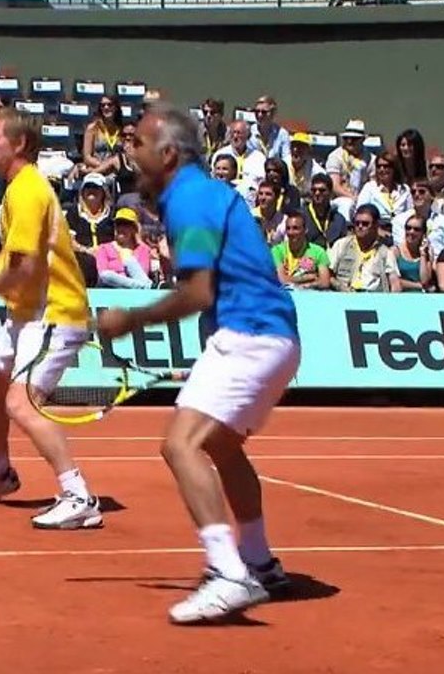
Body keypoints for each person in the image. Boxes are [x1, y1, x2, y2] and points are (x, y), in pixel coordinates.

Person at [96, 103, 300, 624]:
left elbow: (198, 292)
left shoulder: (189, 198)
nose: (130, 153)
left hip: (251, 333)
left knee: (179, 445)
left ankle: (228, 573)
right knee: (220, 445)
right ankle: (258, 561)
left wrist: (131, 320)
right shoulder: (202, 195)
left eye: (138, 144)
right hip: (275, 336)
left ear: (167, 154)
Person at [0, 108, 102, 530]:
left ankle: (79, 495)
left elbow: (27, 265)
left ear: (19, 144)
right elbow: (15, 255)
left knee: (21, 401)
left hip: (55, 311)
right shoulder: (21, 189)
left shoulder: (27, 190)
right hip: (26, 314)